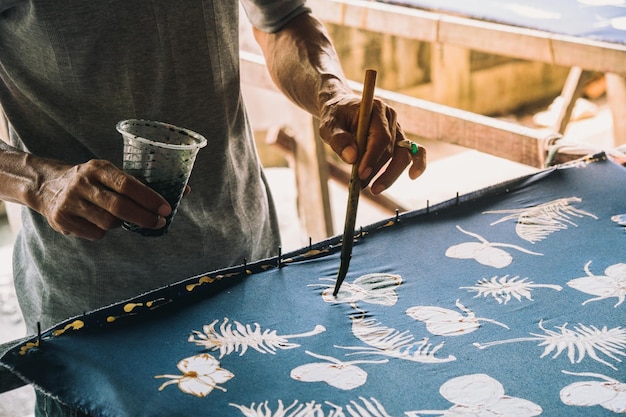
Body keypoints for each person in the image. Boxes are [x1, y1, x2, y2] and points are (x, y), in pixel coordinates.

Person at [0, 1, 426, 415]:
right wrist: (40, 181)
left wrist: (332, 93)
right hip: (96, 314)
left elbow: (283, 20)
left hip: (247, 276)